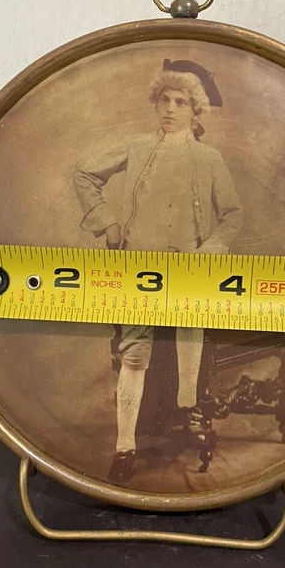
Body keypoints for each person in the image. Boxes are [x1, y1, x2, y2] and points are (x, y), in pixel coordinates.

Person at [74, 59, 243, 482]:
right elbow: (85, 173)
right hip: (139, 267)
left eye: (180, 102)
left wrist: (211, 248)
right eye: (165, 100)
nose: (170, 108)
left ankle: (189, 413)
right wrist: (108, 224)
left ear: (195, 111)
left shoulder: (208, 158)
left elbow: (233, 215)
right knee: (134, 356)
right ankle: (124, 447)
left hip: (189, 270)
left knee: (190, 343)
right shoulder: (136, 148)